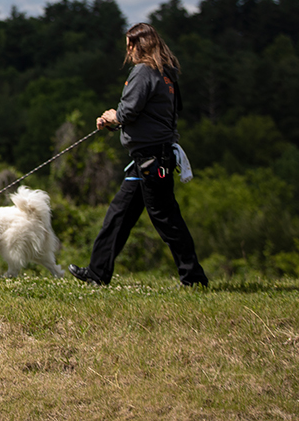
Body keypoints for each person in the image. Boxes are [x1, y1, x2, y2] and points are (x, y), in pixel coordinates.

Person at [70, 23, 209, 287]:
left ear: (139, 45)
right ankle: (98, 274)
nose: (128, 52)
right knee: (118, 216)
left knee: (166, 219)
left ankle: (194, 278)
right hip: (149, 159)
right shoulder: (167, 74)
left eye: (129, 46)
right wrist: (118, 120)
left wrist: (113, 116)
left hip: (151, 160)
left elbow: (128, 112)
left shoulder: (144, 71)